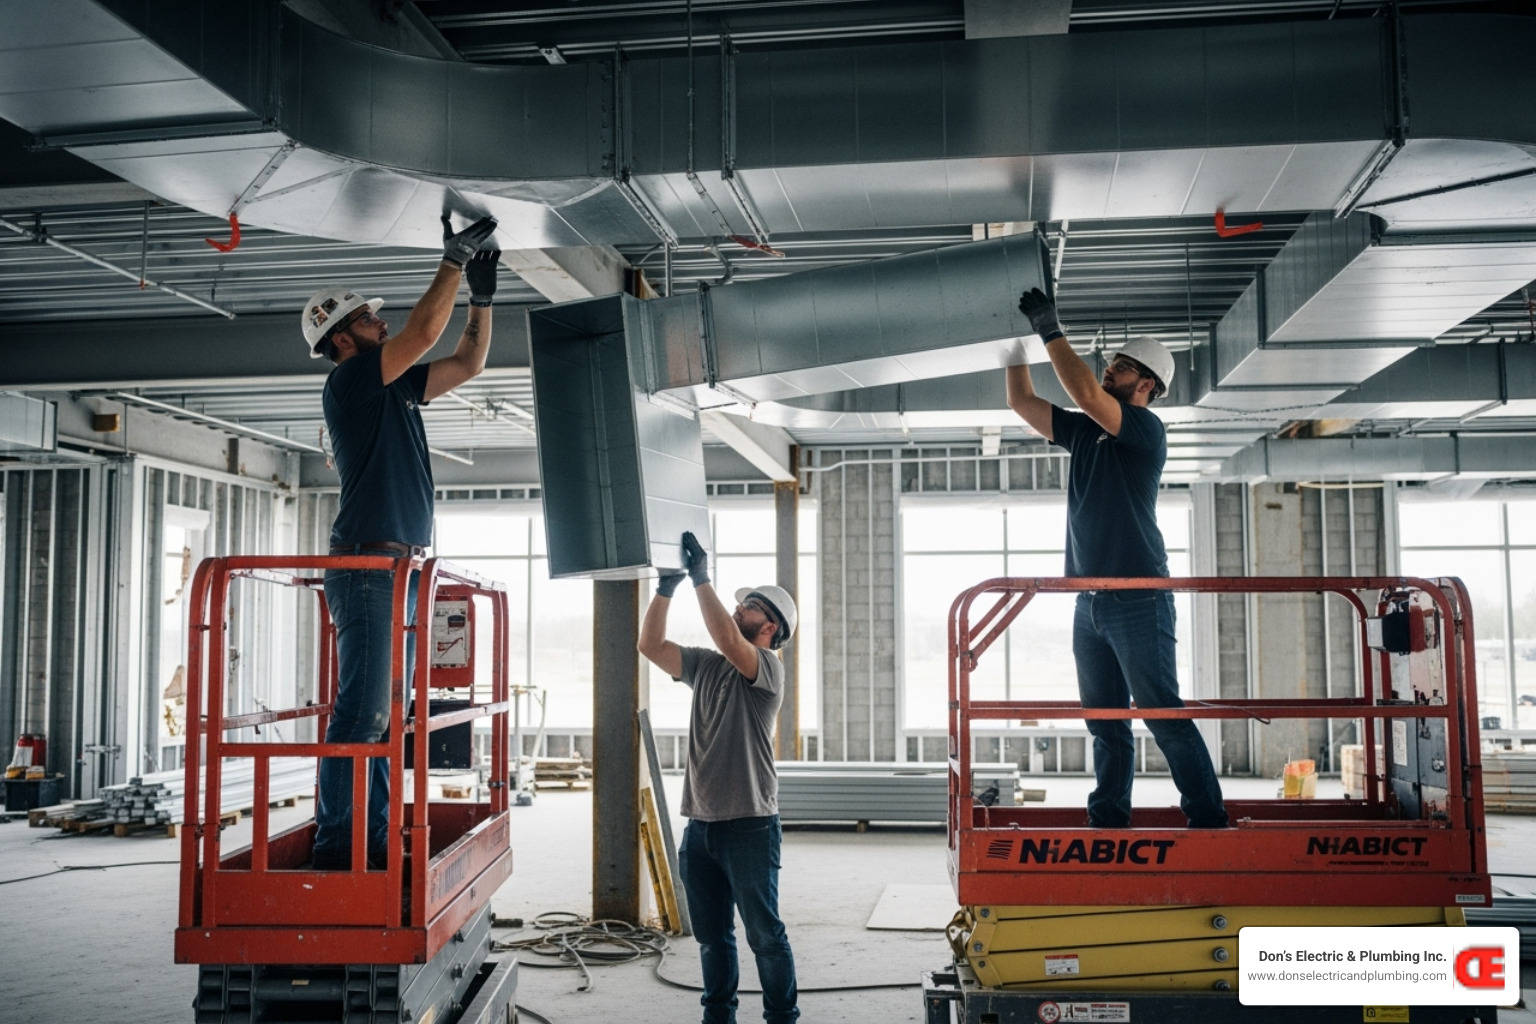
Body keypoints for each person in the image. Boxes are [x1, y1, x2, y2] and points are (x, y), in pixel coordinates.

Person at [301, 214, 500, 870]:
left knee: (383, 720)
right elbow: (420, 331)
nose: (380, 325)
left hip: (398, 569)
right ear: (340, 338)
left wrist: (482, 297)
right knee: (361, 717)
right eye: (367, 319)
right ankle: (340, 853)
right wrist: (451, 262)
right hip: (368, 566)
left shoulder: (393, 389)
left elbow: (468, 360)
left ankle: (371, 844)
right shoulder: (352, 381)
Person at [1004, 287, 1228, 830]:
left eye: (1120, 368)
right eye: (1109, 365)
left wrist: (1049, 327)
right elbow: (1021, 402)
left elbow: (1083, 393)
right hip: (1089, 601)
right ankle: (1108, 820)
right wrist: (1009, 345)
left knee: (1162, 713)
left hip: (1139, 598)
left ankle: (1208, 818)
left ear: (1146, 384)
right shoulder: (1084, 432)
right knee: (1104, 721)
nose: (1108, 373)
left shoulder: (1145, 431)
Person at [637, 531, 800, 1024]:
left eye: (749, 606)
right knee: (712, 937)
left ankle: (781, 1018)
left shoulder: (767, 669)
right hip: (701, 827)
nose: (739, 610)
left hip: (750, 826)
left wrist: (700, 578)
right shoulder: (706, 667)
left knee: (764, 936)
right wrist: (666, 587)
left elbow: (727, 640)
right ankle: (718, 1016)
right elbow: (650, 644)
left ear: (770, 626)